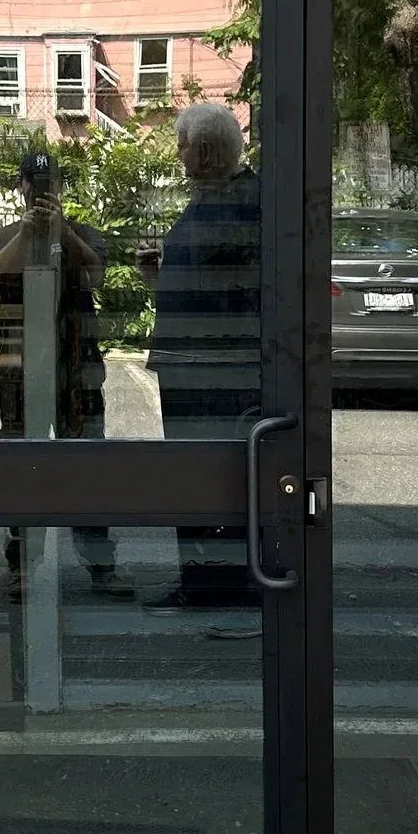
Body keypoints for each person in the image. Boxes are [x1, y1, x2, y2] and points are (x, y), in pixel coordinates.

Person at [0, 146, 131, 598]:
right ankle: (22, 568)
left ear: (61, 187)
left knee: (88, 472)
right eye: (34, 183)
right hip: (21, 375)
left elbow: (97, 274)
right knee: (20, 473)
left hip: (77, 370)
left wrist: (63, 229)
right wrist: (26, 237)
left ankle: (102, 568)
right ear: (21, 187)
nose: (40, 191)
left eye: (50, 183)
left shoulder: (83, 234)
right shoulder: (3, 236)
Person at [147, 103, 262, 605]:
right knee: (195, 474)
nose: (178, 155)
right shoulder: (217, 197)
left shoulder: (238, 204)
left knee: (206, 475)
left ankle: (217, 587)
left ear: (207, 151)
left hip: (211, 372)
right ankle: (203, 582)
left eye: (182, 144)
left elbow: (227, 291)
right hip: (196, 366)